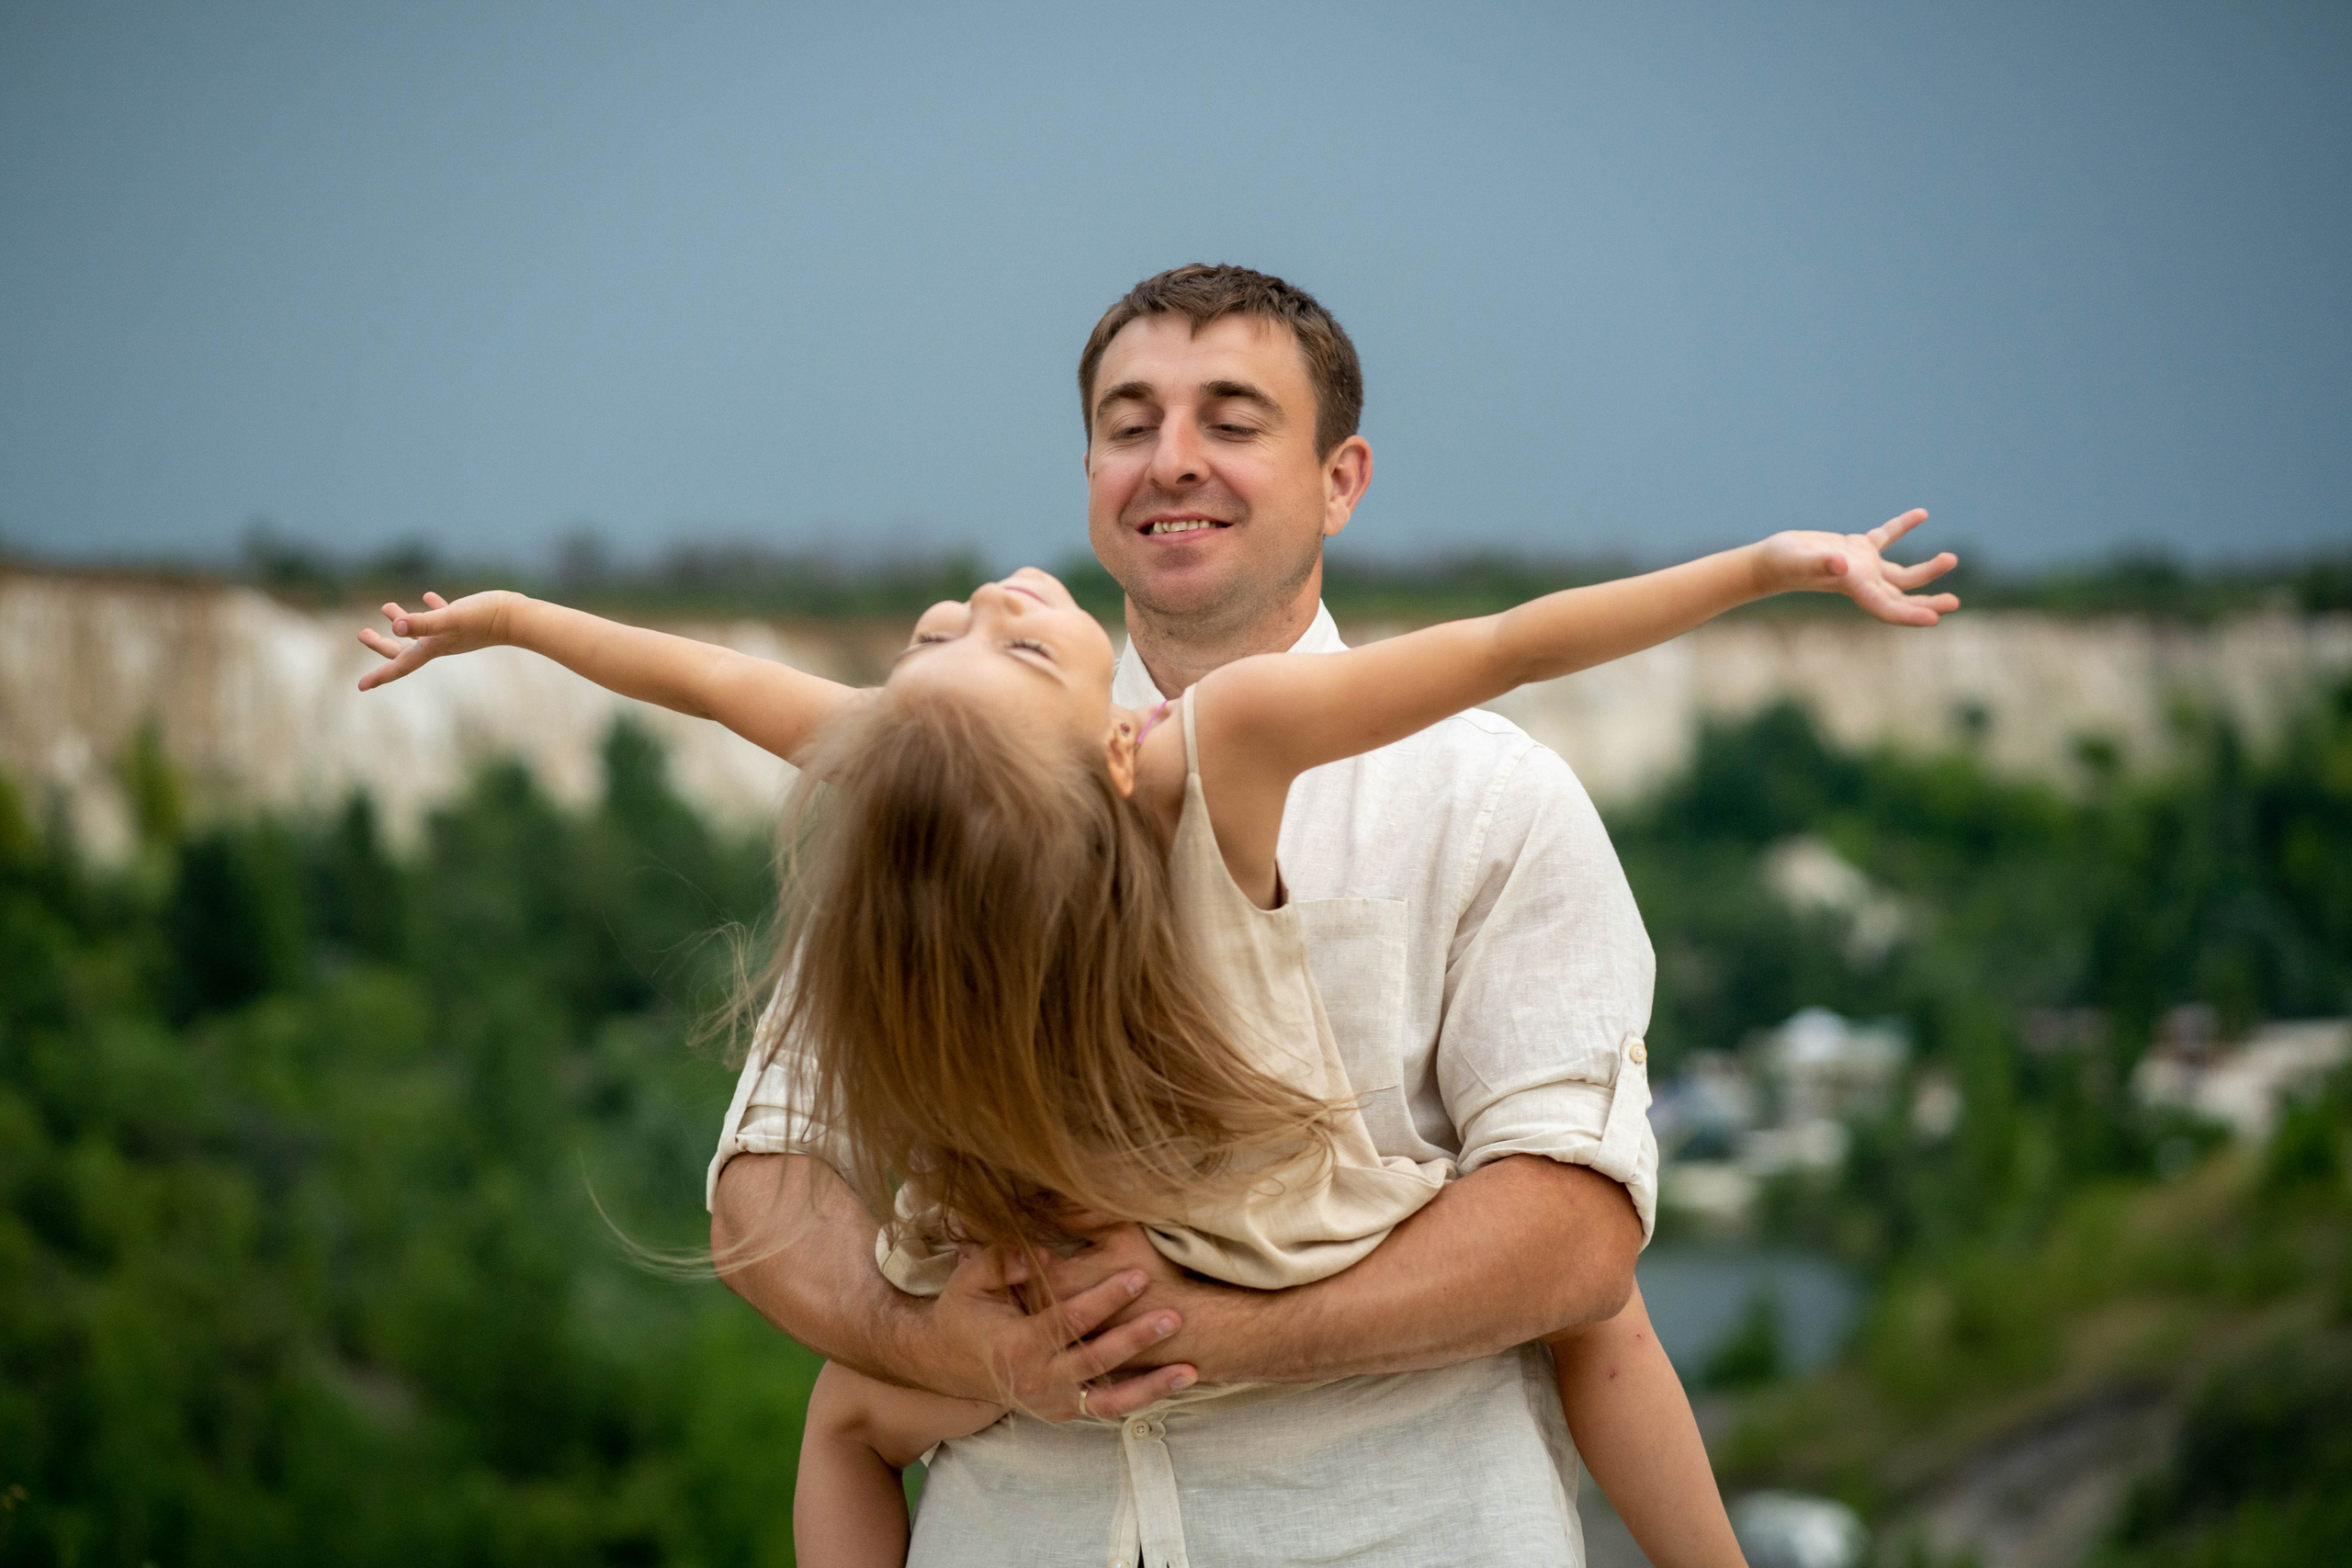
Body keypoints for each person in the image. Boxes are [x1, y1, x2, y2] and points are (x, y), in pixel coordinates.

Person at [358, 457, 1951, 1568]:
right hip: (1267, 1227)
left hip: (1037, 1268)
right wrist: (1769, 570)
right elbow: (1502, 647)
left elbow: (707, 681)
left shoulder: (914, 830)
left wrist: (517, 624)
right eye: (1004, 638)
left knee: (850, 1419)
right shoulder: (1207, 753)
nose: (983, 598)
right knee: (1594, 1308)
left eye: (959, 629)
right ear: (1114, 740)